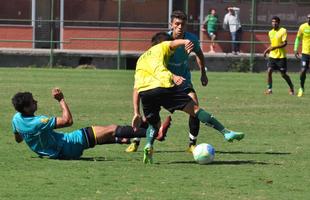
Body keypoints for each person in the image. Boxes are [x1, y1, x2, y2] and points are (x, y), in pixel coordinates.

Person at [133, 32, 244, 164]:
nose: (173, 52)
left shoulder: (141, 59)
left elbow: (136, 88)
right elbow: (173, 43)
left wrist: (136, 112)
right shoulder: (162, 46)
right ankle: (225, 132)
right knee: (195, 110)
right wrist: (185, 42)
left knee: (154, 124)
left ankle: (149, 145)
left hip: (145, 93)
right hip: (163, 86)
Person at [126, 10, 208, 154]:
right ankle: (136, 141)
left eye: (182, 24)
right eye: (176, 24)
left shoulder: (192, 39)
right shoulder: (164, 40)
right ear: (171, 24)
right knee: (149, 114)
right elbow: (151, 57)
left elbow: (199, 54)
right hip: (162, 81)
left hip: (183, 80)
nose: (179, 27)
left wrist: (203, 73)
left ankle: (192, 143)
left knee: (194, 105)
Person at [11, 88, 171, 160]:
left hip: (56, 152)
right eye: (32, 102)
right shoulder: (39, 122)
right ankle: (155, 133)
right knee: (112, 128)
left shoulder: (16, 119)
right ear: (26, 108)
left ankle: (120, 140)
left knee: (101, 134)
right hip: (68, 144)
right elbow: (68, 121)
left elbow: (18, 139)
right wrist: (61, 100)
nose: (35, 102)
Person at [263, 16, 294, 95]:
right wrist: (266, 50)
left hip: (281, 57)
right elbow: (272, 44)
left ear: (278, 23)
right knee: (269, 71)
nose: (274, 23)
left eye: (275, 21)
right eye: (272, 21)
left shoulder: (283, 31)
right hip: (272, 56)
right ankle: (269, 89)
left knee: (283, 74)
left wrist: (275, 47)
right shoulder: (270, 32)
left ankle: (291, 87)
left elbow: (285, 43)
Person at [294, 14, 310, 97]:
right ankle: (301, 88)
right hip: (305, 53)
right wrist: (295, 49)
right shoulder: (302, 27)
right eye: (308, 18)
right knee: (303, 70)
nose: (309, 19)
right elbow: (298, 38)